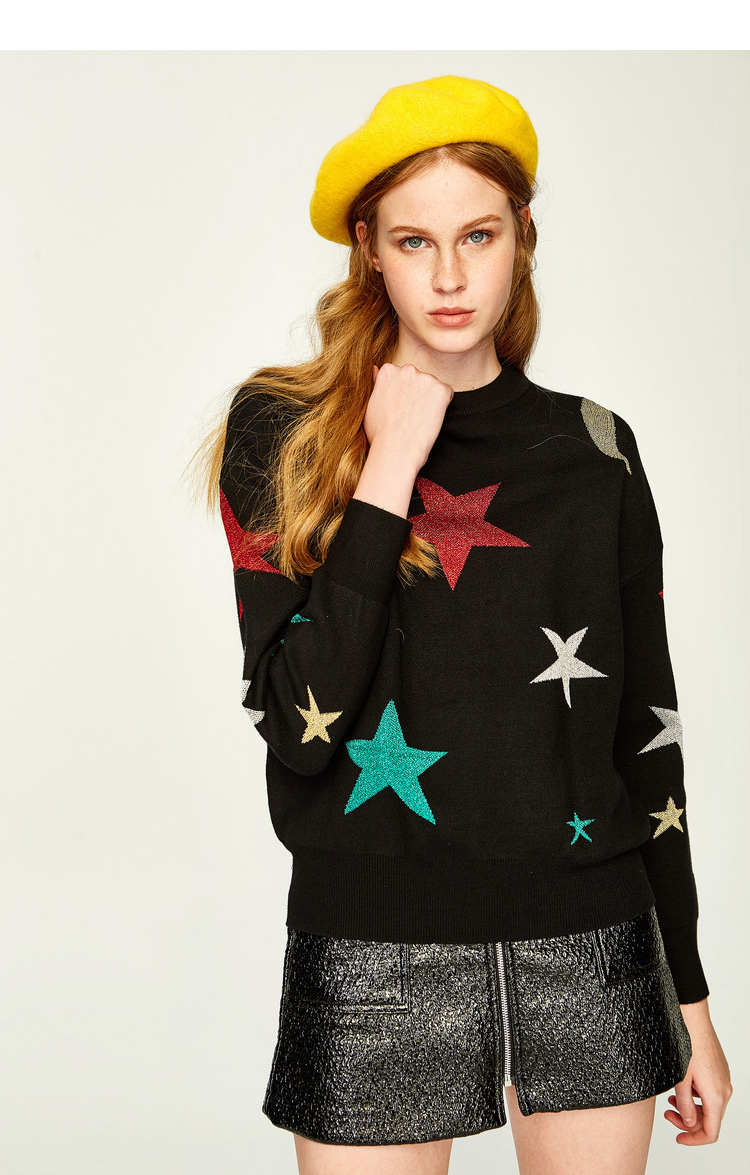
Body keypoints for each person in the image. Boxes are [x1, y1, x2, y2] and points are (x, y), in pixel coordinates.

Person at [189, 75, 732, 1174]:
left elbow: (648, 730)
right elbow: (298, 722)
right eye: (414, 241)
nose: (448, 276)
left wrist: (691, 996)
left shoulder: (595, 449)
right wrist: (389, 464)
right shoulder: (284, 431)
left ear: (523, 234)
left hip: (593, 941)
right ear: (369, 251)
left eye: (477, 235)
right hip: (372, 947)